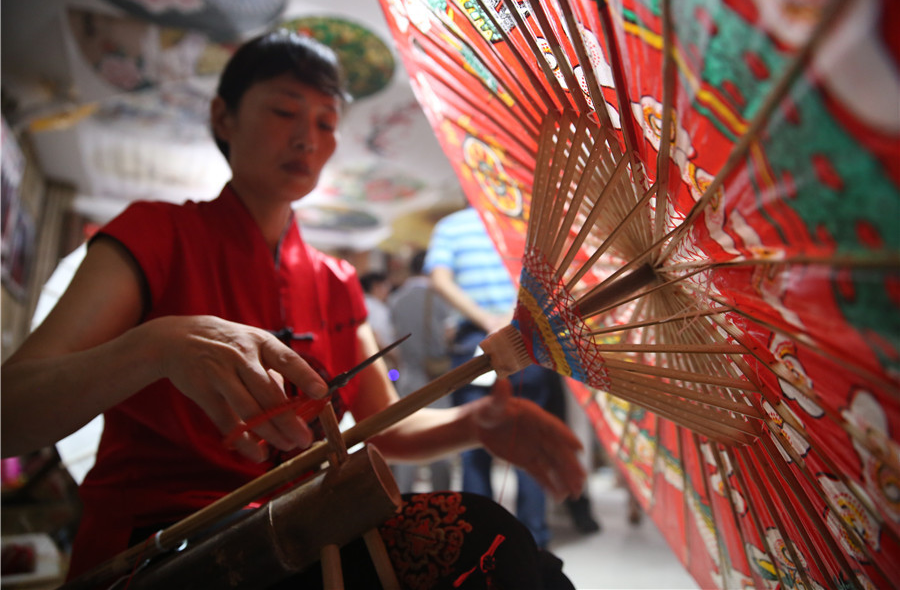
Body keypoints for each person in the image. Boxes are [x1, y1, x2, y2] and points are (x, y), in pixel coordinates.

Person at [0, 31, 586, 588]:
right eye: (285, 111)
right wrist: (157, 345)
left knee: (532, 566)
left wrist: (475, 423)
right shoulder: (154, 235)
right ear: (223, 117)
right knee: (483, 543)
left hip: (305, 532)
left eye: (326, 122)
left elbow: (386, 423)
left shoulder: (335, 281)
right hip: (162, 549)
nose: (308, 136)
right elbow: (11, 410)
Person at [426, 206, 563, 549]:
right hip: (525, 338)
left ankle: (477, 544)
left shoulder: (451, 225)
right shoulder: (526, 222)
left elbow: (439, 280)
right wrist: (512, 316)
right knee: (528, 445)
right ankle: (534, 546)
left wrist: (485, 319)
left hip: (476, 339)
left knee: (473, 444)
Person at [387, 250, 454, 493]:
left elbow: (390, 341)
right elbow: (448, 334)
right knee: (442, 445)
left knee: (408, 445)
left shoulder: (396, 299)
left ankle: (403, 503)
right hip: (437, 379)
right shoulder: (441, 297)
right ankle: (443, 502)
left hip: (408, 378)